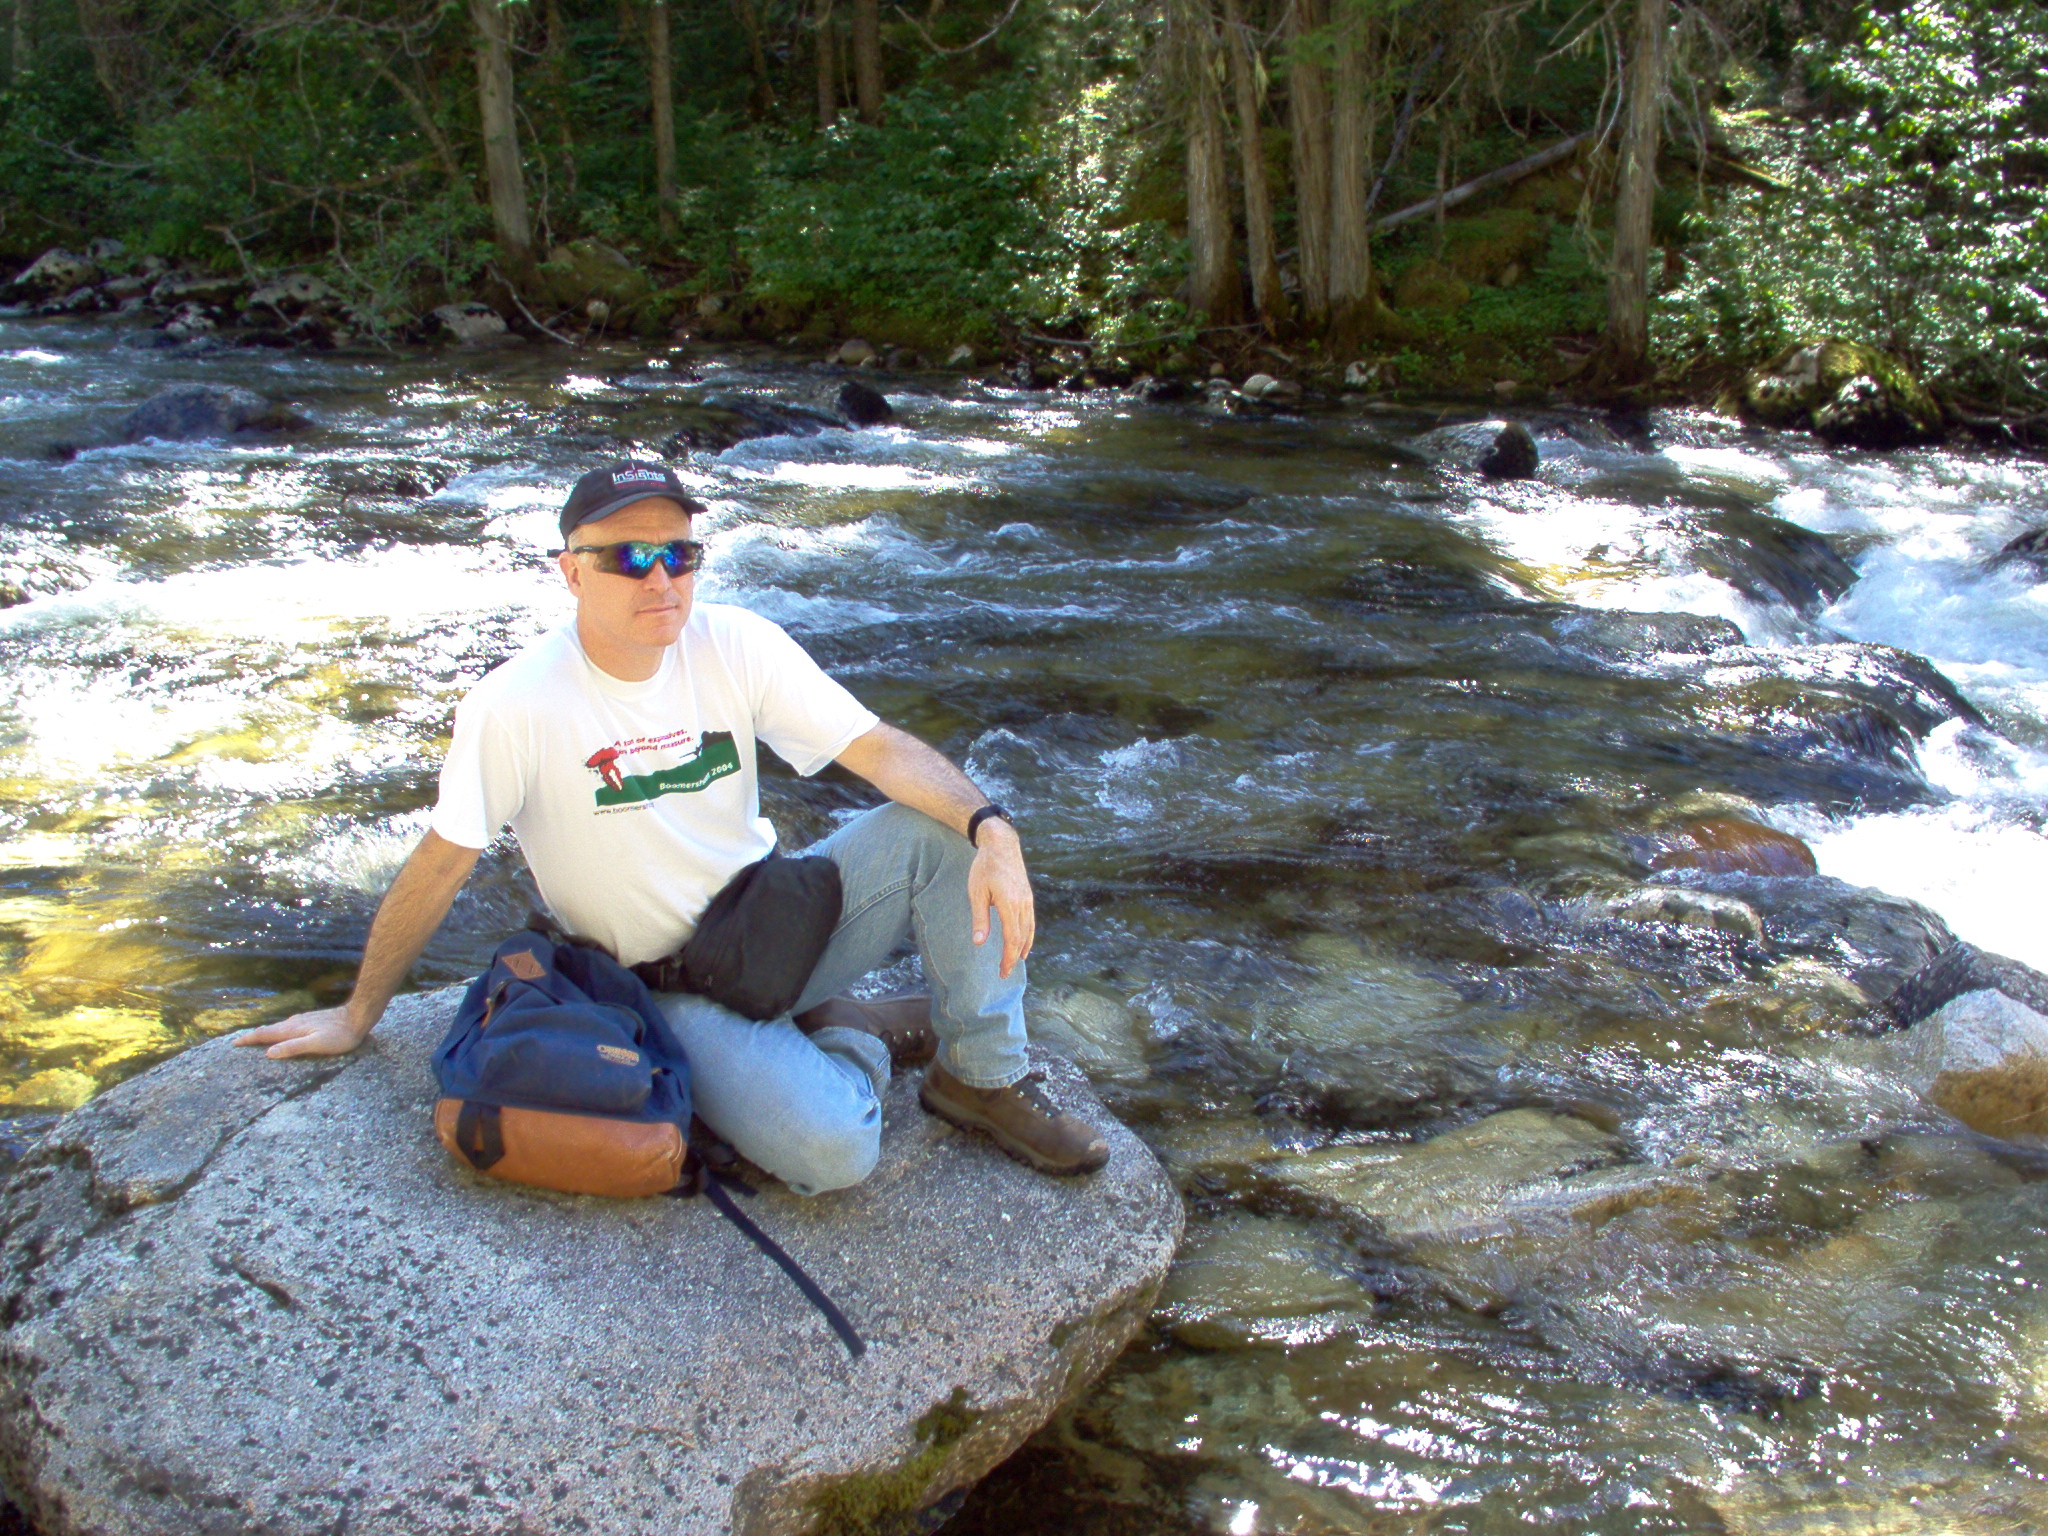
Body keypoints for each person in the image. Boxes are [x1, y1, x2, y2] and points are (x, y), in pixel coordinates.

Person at [236, 459, 1109, 1190]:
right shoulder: (515, 705)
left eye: (679, 554)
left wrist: (995, 829)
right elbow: (441, 863)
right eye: (629, 557)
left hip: (771, 921)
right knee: (837, 1153)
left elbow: (877, 749)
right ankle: (854, 1030)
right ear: (571, 572)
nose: (660, 579)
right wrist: (357, 1015)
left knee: (945, 831)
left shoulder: (736, 642)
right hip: (663, 986)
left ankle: (980, 1077)